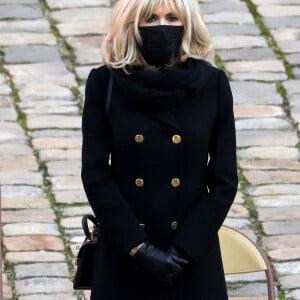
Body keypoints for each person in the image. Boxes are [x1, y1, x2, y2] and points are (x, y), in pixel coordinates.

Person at [81, 0, 238, 299]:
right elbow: (96, 175)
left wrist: (183, 251)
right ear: (132, 25)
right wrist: (137, 247)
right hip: (124, 255)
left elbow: (224, 181)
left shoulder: (213, 84)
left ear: (187, 24)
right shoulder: (104, 84)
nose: (162, 27)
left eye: (171, 18)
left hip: (192, 257)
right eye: (150, 19)